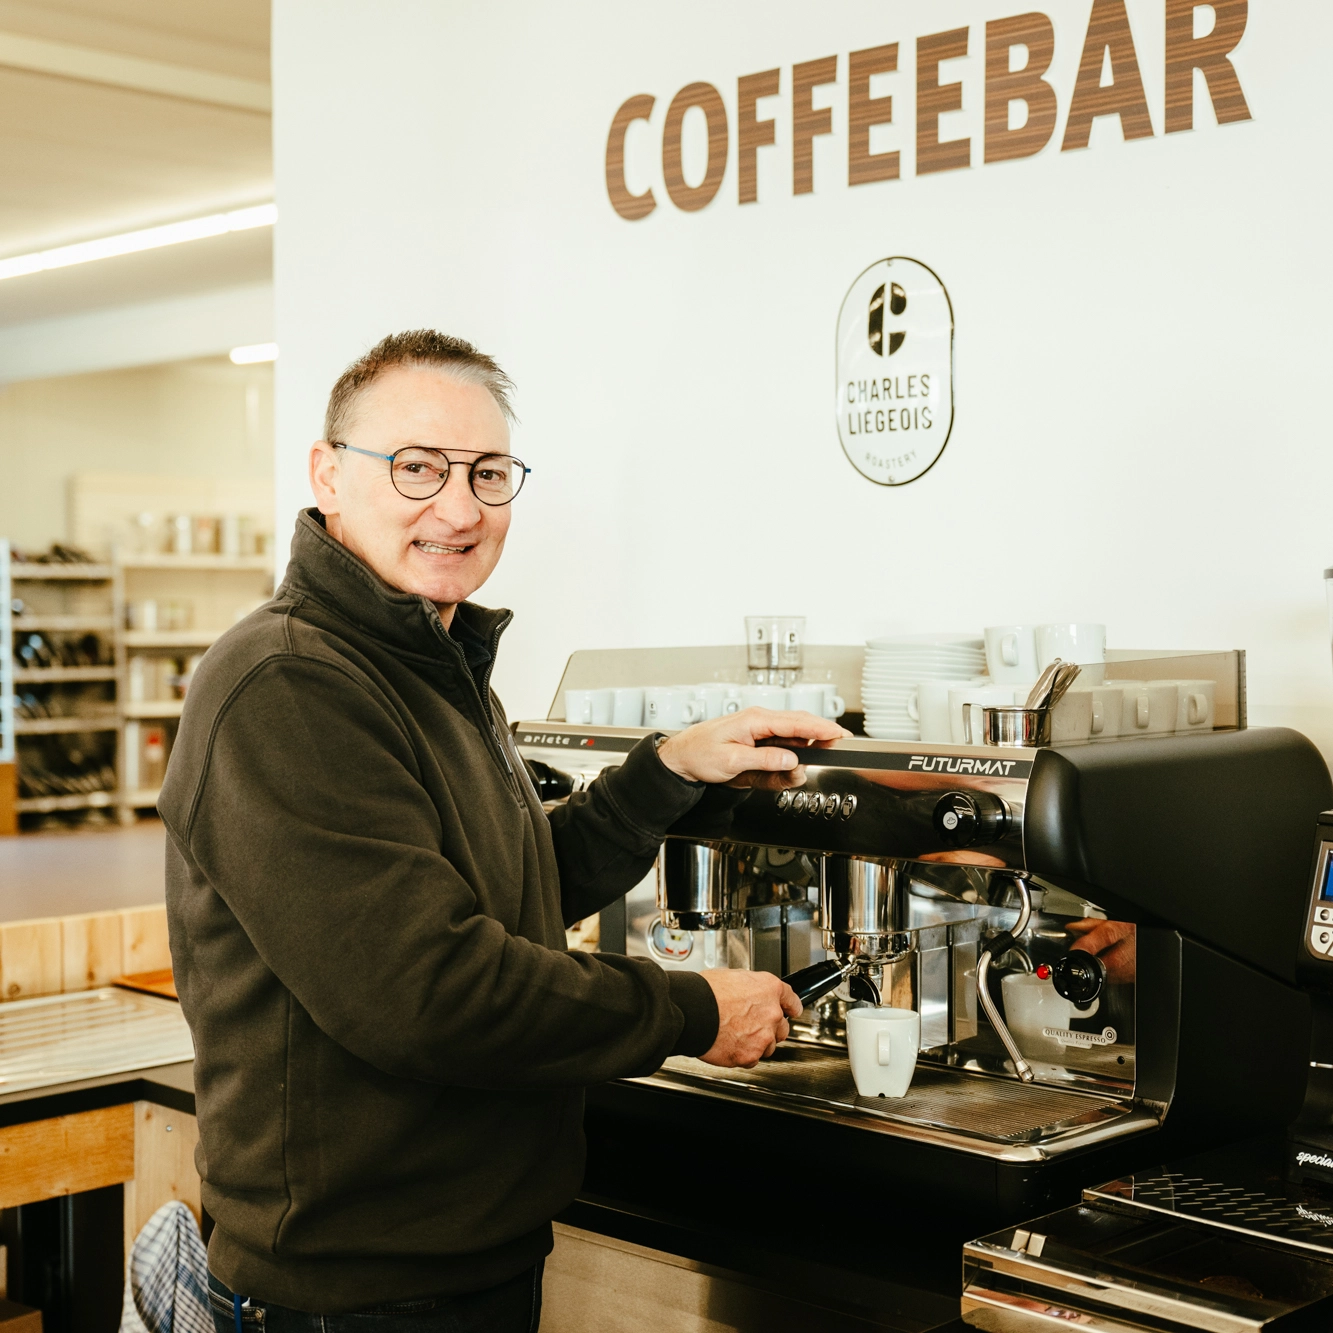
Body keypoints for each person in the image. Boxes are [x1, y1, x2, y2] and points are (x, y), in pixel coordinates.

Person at [160, 329, 847, 1331]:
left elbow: (511, 889)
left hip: (457, 1261)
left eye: (488, 473)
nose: (459, 507)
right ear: (328, 476)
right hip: (353, 1295)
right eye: (417, 468)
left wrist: (666, 771)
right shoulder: (290, 682)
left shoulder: (427, 658)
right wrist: (692, 1010)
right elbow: (428, 992)